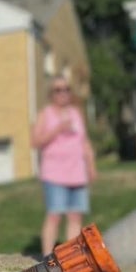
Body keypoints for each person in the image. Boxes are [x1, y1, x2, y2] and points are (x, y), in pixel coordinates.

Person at [30, 76, 97, 257]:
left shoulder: (76, 113)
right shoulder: (45, 114)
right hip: (54, 173)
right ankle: (47, 257)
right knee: (55, 215)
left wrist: (91, 165)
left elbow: (84, 141)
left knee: (75, 215)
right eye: (58, 90)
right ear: (51, 94)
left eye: (67, 89)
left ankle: (71, 257)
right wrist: (57, 129)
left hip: (77, 172)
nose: (63, 93)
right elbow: (35, 141)